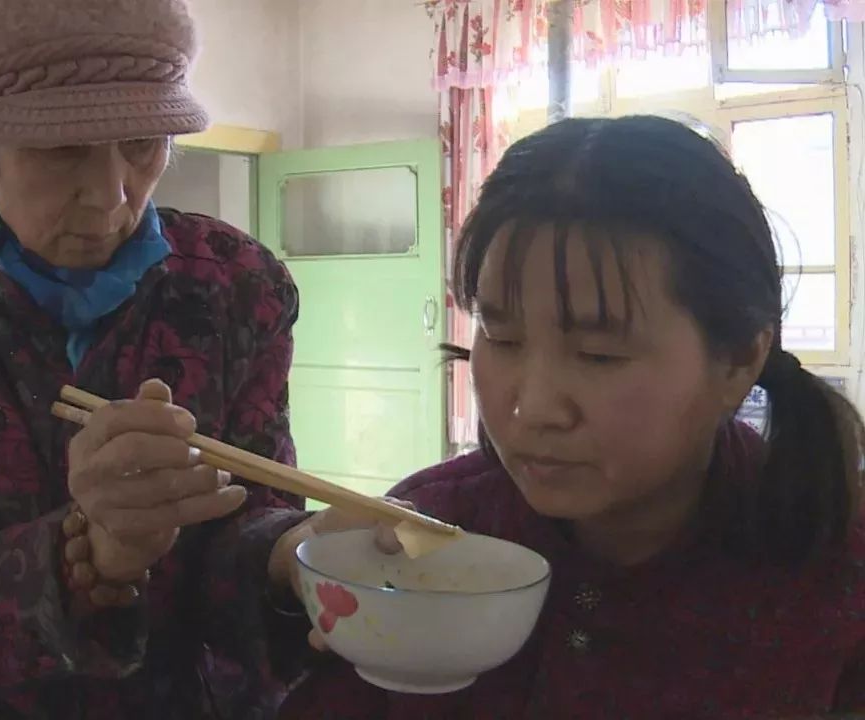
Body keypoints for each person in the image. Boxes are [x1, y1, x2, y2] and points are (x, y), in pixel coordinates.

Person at [273, 116, 865, 719]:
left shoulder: (832, 567)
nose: (533, 408)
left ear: (739, 359)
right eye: (501, 337)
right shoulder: (425, 539)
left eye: (598, 355)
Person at [0, 0, 319, 717]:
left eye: (144, 145)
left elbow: (252, 507)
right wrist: (88, 556)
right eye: (64, 150)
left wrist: (298, 557)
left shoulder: (237, 288)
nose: (113, 194)